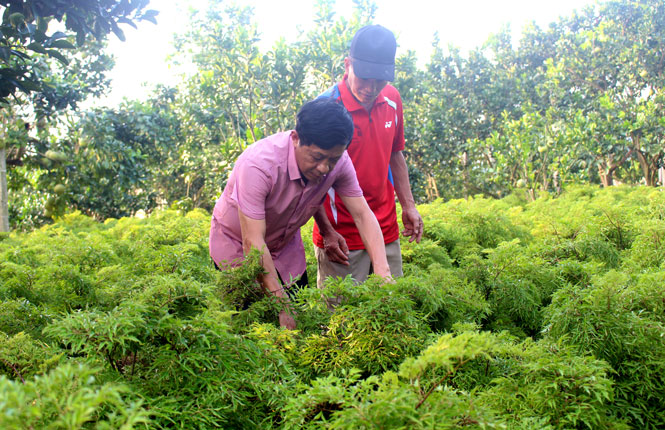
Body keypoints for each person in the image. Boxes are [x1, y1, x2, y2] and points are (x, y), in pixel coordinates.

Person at [209, 98, 391, 329]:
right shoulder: (259, 165)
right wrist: (280, 305)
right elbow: (253, 241)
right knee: (248, 325)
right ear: (295, 138)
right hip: (237, 246)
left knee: (299, 320)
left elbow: (362, 215)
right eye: (317, 158)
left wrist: (383, 273)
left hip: (285, 247)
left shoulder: (340, 162)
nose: (324, 168)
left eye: (332, 159)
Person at [313, 24, 423, 288]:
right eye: (364, 77)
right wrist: (327, 231)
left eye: (380, 80)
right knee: (340, 319)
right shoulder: (326, 109)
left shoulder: (393, 100)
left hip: (385, 229)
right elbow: (310, 179)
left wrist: (408, 205)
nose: (371, 88)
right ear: (348, 64)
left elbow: (395, 156)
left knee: (392, 308)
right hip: (342, 237)